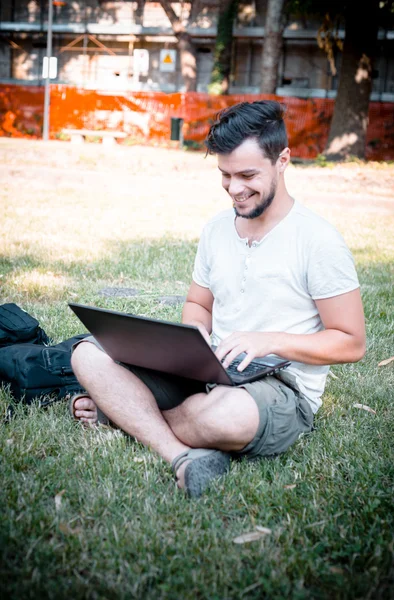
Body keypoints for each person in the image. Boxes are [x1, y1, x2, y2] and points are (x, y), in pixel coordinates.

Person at [70, 100, 366, 498]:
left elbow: (350, 341)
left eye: (247, 174)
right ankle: (180, 453)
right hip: (208, 369)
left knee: (226, 415)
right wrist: (192, 335)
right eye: (225, 175)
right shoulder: (216, 230)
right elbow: (198, 304)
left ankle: (124, 415)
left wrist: (269, 340)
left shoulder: (319, 241)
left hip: (278, 386)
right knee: (87, 354)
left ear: (283, 160)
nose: (235, 188)